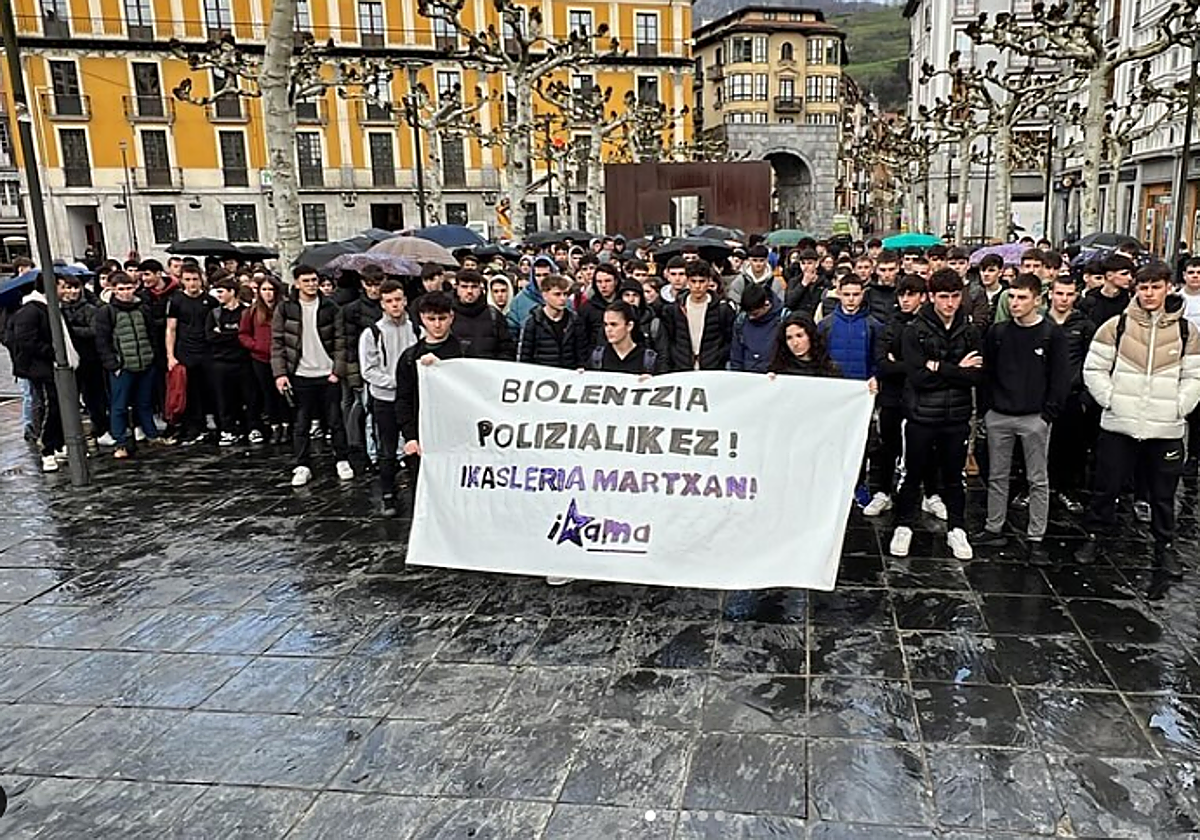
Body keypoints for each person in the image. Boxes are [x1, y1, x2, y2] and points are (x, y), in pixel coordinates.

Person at [1081, 262, 1200, 577]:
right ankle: (1095, 537)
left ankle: (1165, 547)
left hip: (1165, 427)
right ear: (1135, 289)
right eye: (1143, 287)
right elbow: (1094, 369)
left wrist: (1179, 406)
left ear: (1168, 288)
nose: (1149, 294)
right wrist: (1111, 401)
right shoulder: (1115, 326)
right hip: (1120, 423)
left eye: (1156, 287)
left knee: (1163, 493)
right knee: (1106, 486)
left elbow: (1194, 376)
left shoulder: (1187, 330)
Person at [888, 268, 984, 561]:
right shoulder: (914, 330)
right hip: (920, 415)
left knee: (954, 477)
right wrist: (957, 369)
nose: (950, 303)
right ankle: (904, 525)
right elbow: (917, 376)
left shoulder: (969, 331)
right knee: (912, 474)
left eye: (955, 296)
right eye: (944, 297)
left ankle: (957, 528)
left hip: (956, 417)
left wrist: (939, 367)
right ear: (931, 297)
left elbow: (977, 375)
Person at [973, 273, 1070, 552]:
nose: (1015, 303)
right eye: (1012, 297)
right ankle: (994, 526)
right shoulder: (998, 332)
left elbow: (1060, 377)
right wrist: (987, 409)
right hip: (999, 414)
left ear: (1037, 300)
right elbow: (987, 371)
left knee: (1037, 479)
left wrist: (1047, 415)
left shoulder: (1051, 333)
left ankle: (1036, 535)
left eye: (1022, 297)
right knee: (996, 475)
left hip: (1034, 417)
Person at [271, 264, 352, 487]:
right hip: (299, 373)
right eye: (306, 280)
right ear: (297, 283)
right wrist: (280, 373)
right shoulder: (285, 308)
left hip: (327, 373)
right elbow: (277, 342)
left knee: (336, 421)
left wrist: (337, 370)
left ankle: (342, 459)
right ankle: (302, 465)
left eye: (314, 280)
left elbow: (340, 341)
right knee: (301, 422)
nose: (311, 284)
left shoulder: (331, 307)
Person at [865, 274, 939, 517]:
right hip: (893, 395)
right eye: (902, 294)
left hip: (923, 396)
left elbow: (936, 360)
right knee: (888, 446)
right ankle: (882, 493)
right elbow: (882, 361)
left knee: (927, 446)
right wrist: (916, 365)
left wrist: (904, 364)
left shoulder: (931, 324)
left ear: (922, 297)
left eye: (911, 295)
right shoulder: (891, 324)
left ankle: (931, 494)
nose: (906, 300)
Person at [94, 271, 174, 459]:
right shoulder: (107, 312)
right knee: (119, 406)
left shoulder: (142, 308)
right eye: (121, 289)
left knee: (145, 402)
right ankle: (120, 443)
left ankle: (152, 434)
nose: (126, 293)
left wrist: (153, 357)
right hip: (123, 366)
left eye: (129, 288)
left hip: (145, 362)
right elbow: (102, 341)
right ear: (113, 290)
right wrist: (113, 365)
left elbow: (151, 333)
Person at [360, 279, 418, 516]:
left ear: (405, 300)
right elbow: (369, 370)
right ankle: (388, 495)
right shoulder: (372, 333)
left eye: (398, 300)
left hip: (411, 400)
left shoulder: (415, 329)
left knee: (413, 446)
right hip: (385, 399)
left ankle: (416, 492)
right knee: (387, 448)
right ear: (382, 304)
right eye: (389, 301)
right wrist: (396, 382)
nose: (395, 305)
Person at [8, 275, 77, 471]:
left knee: (59, 406)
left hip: (53, 366)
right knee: (50, 406)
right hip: (41, 369)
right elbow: (26, 340)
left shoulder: (51, 308)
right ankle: (47, 449)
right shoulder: (31, 310)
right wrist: (53, 352)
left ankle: (57, 444)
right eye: (62, 287)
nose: (65, 291)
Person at [396, 291, 464, 486]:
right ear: (421, 318)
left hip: (457, 438)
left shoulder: (464, 351)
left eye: (442, 318)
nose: (437, 324)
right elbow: (403, 399)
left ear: (451, 317)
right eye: (431, 318)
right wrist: (409, 437)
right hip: (422, 438)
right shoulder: (409, 357)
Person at [1045, 274, 1096, 511]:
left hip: (1072, 394)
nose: (1063, 299)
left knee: (1072, 446)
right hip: (1041, 394)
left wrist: (1085, 393)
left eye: (1069, 294)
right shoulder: (1039, 322)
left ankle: (1068, 490)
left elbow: (1092, 361)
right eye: (1059, 293)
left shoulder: (1084, 325)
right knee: (1037, 445)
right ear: (1050, 294)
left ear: (1076, 296)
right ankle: (1035, 487)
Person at [165, 263, 217, 444]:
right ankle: (193, 427)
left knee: (209, 389)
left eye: (195, 279)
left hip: (207, 350)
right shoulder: (176, 300)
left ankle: (210, 423)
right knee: (189, 391)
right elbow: (171, 329)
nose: (192, 283)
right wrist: (170, 356)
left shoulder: (210, 301)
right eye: (188, 280)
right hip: (185, 351)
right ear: (182, 281)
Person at [340, 267, 385, 471]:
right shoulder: (352, 309)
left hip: (386, 368)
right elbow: (348, 345)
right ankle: (369, 453)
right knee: (366, 413)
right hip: (364, 368)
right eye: (370, 284)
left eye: (377, 284)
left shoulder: (388, 305)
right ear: (363, 284)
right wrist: (354, 376)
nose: (374, 289)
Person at [59, 274, 109, 447]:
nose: (72, 292)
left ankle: (101, 428)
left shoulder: (89, 308)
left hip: (90, 359)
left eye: (75, 287)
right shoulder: (59, 310)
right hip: (69, 360)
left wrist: (70, 330)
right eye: (68, 287)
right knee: (70, 397)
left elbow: (94, 330)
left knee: (95, 396)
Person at [240, 274, 287, 444]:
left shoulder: (284, 308)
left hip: (282, 358)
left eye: (271, 289)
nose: (268, 293)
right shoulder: (252, 311)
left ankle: (286, 424)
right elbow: (243, 333)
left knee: (283, 394)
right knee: (268, 393)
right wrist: (255, 345)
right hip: (260, 358)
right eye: (264, 290)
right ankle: (275, 426)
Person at [665, 260, 734, 372]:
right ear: (687, 281)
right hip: (682, 368)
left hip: (712, 369)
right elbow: (670, 339)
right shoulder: (674, 309)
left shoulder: (723, 309)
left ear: (708, 281)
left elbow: (729, 339)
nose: (697, 286)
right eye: (693, 281)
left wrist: (718, 357)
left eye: (702, 281)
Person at [206, 273, 251, 445]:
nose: (219, 296)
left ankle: (249, 427)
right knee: (224, 399)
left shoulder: (245, 311)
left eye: (221, 292)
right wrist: (233, 335)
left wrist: (224, 334)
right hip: (220, 362)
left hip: (243, 361)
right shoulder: (215, 313)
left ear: (232, 292)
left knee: (248, 397)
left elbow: (245, 336)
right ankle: (227, 429)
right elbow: (210, 337)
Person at [818, 275, 884, 384]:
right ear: (839, 293)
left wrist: (874, 376)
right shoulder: (825, 324)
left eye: (856, 294)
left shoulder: (873, 325)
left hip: (862, 386)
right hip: (832, 384)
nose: (851, 299)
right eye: (846, 294)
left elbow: (877, 359)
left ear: (862, 294)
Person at [517, 273, 587, 368]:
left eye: (565, 294)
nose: (563, 298)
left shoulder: (574, 321)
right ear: (545, 295)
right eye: (557, 294)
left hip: (569, 378)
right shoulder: (533, 322)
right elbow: (525, 357)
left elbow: (581, 354)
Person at [451, 269, 514, 359]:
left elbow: (507, 349)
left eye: (474, 287)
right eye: (464, 287)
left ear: (481, 288)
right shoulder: (448, 315)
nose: (469, 291)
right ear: (456, 288)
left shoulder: (494, 316)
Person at [589, 301, 658, 374]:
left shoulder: (648, 359)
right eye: (606, 324)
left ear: (629, 326)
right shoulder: (598, 357)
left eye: (614, 324)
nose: (608, 329)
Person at [729, 282, 783, 374]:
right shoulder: (741, 321)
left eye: (755, 314)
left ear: (766, 304)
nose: (750, 317)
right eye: (748, 313)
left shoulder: (783, 319)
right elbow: (736, 358)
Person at [767, 312, 841, 377]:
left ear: (810, 335)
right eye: (789, 338)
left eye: (799, 336)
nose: (795, 343)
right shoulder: (778, 369)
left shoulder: (829, 369)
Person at [506, 256, 556, 333]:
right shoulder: (519, 301)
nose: (542, 279)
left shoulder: (563, 298)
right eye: (538, 275)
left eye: (545, 275)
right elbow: (512, 329)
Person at [578, 262, 622, 350]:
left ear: (616, 281)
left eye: (608, 281)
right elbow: (581, 340)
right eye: (599, 282)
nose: (603, 286)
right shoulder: (587, 308)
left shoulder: (624, 305)